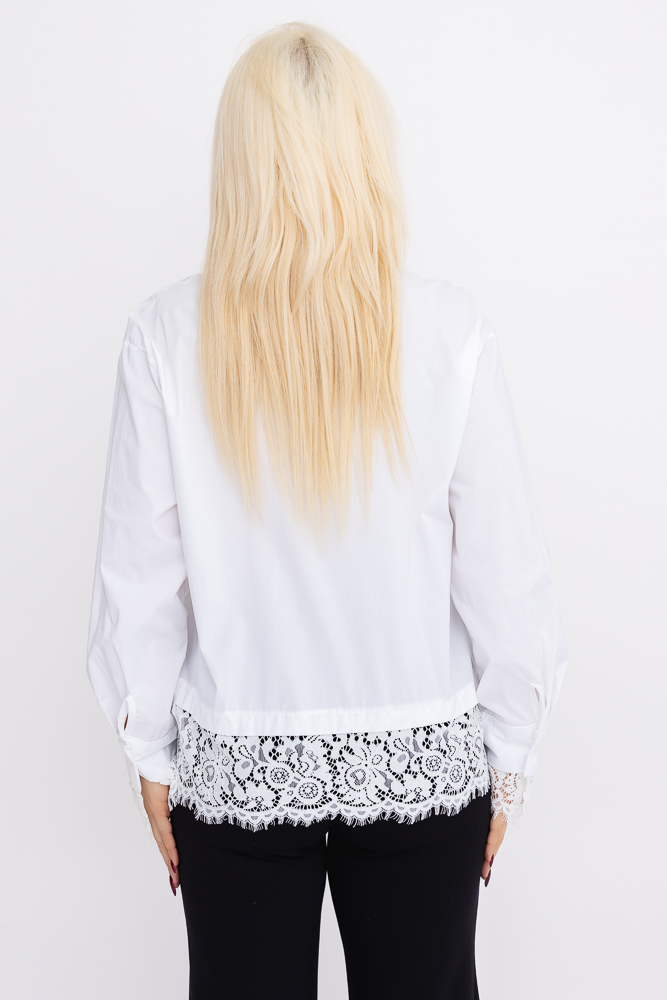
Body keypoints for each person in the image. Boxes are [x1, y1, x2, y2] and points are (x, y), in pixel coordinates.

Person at [87, 22, 567, 1000]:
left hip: (236, 769)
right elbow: (504, 578)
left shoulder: (165, 337)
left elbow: (139, 579)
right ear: (363, 154)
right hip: (421, 767)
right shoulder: (448, 332)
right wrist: (509, 756)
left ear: (238, 164)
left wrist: (148, 750)